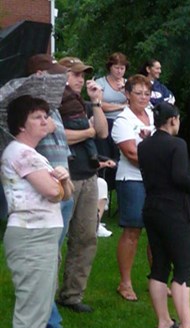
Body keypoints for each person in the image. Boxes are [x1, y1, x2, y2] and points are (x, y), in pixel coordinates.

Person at [2, 95, 74, 328]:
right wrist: (60, 183)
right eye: (37, 117)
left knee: (40, 305)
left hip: (40, 235)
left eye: (46, 116)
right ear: (22, 125)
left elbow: (66, 192)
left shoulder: (32, 154)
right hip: (31, 236)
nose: (45, 121)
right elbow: (54, 193)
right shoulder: (22, 154)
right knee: (32, 311)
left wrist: (63, 180)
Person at [138, 102, 190, 328]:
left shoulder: (143, 145)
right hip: (174, 212)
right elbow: (180, 177)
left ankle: (163, 321)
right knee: (183, 268)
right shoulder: (177, 144)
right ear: (172, 120)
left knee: (159, 264)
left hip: (151, 209)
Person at [26, 54, 81, 328]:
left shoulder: (54, 110)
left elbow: (62, 156)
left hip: (63, 195)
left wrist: (68, 186)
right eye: (55, 76)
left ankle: (41, 327)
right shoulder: (25, 111)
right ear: (38, 75)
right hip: (43, 198)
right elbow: (23, 154)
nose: (62, 81)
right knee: (43, 267)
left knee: (50, 264)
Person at [57, 56, 108, 313]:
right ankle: (47, 293)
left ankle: (71, 295)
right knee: (57, 238)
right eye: (76, 74)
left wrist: (97, 102)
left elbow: (102, 132)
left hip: (88, 177)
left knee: (86, 237)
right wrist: (86, 133)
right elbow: (59, 135)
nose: (81, 79)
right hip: (65, 178)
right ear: (63, 74)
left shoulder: (83, 104)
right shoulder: (55, 102)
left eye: (83, 75)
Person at [111, 74, 155, 301]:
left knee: (157, 230)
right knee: (133, 231)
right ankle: (125, 283)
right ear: (127, 95)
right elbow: (130, 153)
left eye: (147, 93)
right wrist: (160, 159)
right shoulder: (123, 121)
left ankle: (156, 280)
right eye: (138, 93)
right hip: (132, 180)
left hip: (154, 180)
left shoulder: (152, 116)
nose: (143, 97)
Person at [94, 52, 128, 187]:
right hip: (105, 122)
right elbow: (100, 104)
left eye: (122, 68)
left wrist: (123, 92)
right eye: (116, 67)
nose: (119, 71)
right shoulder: (100, 82)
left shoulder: (128, 84)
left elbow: (134, 102)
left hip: (123, 121)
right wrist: (122, 106)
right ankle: (104, 186)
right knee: (104, 153)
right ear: (110, 67)